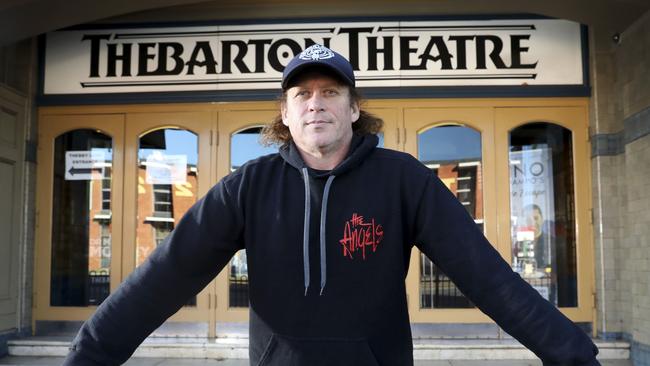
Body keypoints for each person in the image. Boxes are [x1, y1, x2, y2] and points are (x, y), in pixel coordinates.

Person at [63, 44, 600, 365]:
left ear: (354, 107)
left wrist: (573, 354)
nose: (316, 102)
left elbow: (488, 278)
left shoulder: (403, 180)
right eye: (302, 94)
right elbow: (165, 276)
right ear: (286, 113)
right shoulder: (247, 187)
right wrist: (88, 356)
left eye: (331, 91)